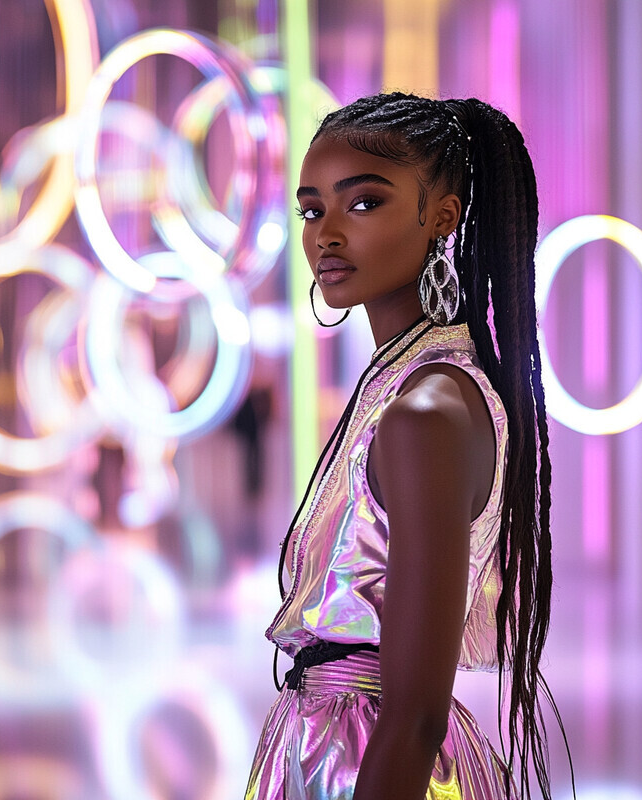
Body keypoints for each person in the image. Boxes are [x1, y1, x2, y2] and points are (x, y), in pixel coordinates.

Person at [244, 92, 572, 800]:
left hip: (373, 760)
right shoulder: (407, 388)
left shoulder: (426, 412)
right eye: (311, 209)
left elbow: (418, 714)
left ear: (441, 219)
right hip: (333, 746)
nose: (326, 233)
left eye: (362, 203)